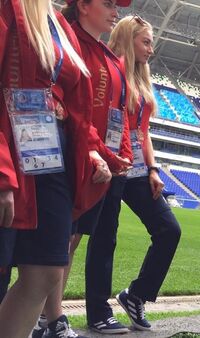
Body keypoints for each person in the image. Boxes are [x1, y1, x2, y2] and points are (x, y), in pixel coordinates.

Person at [0, 0, 113, 336]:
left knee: (46, 271)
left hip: (51, 154)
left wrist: (91, 150)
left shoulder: (59, 26)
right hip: (12, 147)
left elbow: (74, 102)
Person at [27, 0, 134, 337]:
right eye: (108, 4)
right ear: (83, 6)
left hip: (98, 163)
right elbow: (77, 111)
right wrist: (98, 151)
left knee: (68, 244)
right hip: (74, 158)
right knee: (60, 246)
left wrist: (120, 155)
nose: (115, 10)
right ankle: (52, 317)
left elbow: (119, 114)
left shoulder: (106, 56)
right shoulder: (68, 41)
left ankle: (49, 316)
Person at [102, 14, 181, 332]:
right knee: (100, 238)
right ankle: (57, 309)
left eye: (152, 42)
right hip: (113, 165)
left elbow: (143, 132)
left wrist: (152, 168)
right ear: (129, 40)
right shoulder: (114, 71)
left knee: (169, 230)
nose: (151, 49)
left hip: (137, 171)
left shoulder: (143, 81)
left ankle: (135, 295)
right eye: (146, 41)